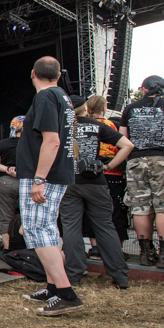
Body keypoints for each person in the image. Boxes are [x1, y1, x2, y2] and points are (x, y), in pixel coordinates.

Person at [16, 56, 81, 316]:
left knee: (37, 229)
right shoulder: (63, 97)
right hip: (57, 173)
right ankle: (54, 287)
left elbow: (52, 141)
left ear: (33, 73)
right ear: (58, 75)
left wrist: (39, 179)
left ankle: (66, 293)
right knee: (49, 230)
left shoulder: (44, 97)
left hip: (44, 175)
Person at [58, 95, 134, 289]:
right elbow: (127, 145)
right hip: (96, 181)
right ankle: (120, 276)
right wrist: (108, 166)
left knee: (71, 229)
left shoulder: (61, 127)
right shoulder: (96, 125)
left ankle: (73, 276)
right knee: (105, 227)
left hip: (68, 182)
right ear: (85, 108)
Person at [120, 75, 164, 268]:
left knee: (140, 207)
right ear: (163, 90)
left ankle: (145, 253)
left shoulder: (130, 109)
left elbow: (123, 139)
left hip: (136, 160)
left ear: (143, 89)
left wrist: (128, 163)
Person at [85, 96, 129, 256]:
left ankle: (95, 247)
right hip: (112, 172)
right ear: (103, 108)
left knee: (92, 211)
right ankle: (116, 248)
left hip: (90, 173)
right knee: (115, 211)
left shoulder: (84, 125)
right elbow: (122, 147)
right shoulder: (110, 125)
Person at [0, 116, 23, 250]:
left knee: (6, 217)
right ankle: (25, 249)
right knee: (27, 216)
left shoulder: (2, 144)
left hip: (5, 182)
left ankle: (8, 250)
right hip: (25, 181)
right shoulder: (32, 144)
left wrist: (7, 169)